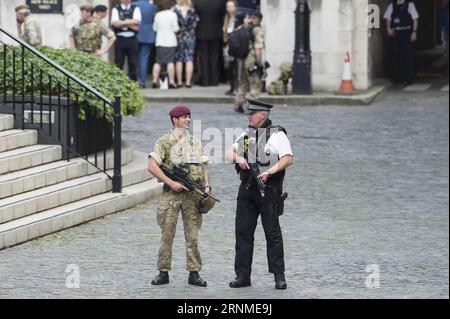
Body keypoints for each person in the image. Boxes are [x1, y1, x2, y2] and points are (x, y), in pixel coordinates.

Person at [227, 99, 293, 290]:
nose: (248, 116)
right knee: (243, 232)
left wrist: (269, 172)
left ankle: (279, 276)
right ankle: (242, 275)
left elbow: (288, 158)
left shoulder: (277, 135)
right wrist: (238, 158)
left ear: (262, 115)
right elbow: (227, 153)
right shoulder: (246, 134)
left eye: (252, 113)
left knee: (272, 233)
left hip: (269, 191)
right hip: (247, 190)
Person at [148, 105, 211, 287]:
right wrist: (170, 182)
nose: (188, 120)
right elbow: (152, 166)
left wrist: (207, 186)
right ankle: (163, 271)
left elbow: (204, 166)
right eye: (184, 117)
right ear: (174, 120)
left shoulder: (195, 142)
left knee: (192, 236)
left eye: (189, 116)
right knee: (167, 234)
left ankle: (194, 272)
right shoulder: (163, 142)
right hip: (171, 196)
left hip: (192, 196)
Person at [234, 11, 265, 113]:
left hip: (241, 58)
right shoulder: (257, 30)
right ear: (260, 19)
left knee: (242, 82)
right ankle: (253, 105)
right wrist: (259, 60)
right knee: (255, 82)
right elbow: (258, 47)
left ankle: (238, 103)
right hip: (251, 59)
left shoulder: (242, 27)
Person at [384, 0, 420, 85]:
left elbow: (415, 18)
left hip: (406, 32)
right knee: (394, 55)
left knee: (407, 55)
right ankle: (396, 78)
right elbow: (388, 18)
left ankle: (408, 78)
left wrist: (414, 32)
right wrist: (388, 28)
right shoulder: (392, 5)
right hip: (395, 33)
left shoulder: (409, 4)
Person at [194, 0, 226, 87]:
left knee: (203, 57)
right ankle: (214, 80)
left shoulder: (198, 3)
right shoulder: (220, 2)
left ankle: (205, 80)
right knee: (214, 56)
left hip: (202, 32)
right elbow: (223, 14)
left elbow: (195, 16)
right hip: (216, 31)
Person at [111, 0, 142, 81]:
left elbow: (137, 21)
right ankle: (118, 82)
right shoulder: (116, 9)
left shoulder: (135, 8)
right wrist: (130, 23)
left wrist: (121, 22)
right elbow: (114, 23)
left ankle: (132, 82)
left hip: (132, 39)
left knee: (133, 62)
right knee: (119, 61)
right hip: (120, 39)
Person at [152, 0, 179, 89]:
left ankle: (154, 80)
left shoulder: (157, 15)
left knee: (158, 62)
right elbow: (176, 28)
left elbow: (154, 28)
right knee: (170, 62)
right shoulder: (173, 15)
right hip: (170, 41)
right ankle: (171, 81)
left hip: (160, 41)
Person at [173, 0, 200, 88]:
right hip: (190, 37)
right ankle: (188, 82)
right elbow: (195, 24)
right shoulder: (192, 11)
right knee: (189, 59)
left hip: (179, 37)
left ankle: (180, 82)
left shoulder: (175, 10)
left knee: (179, 59)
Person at [136, 0, 157, 88]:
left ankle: (135, 80)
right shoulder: (152, 6)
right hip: (148, 34)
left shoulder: (134, 5)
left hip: (136, 34)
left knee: (134, 59)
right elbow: (154, 19)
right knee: (144, 58)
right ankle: (142, 81)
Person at [222, 0, 241, 96]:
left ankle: (237, 88)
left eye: (231, 6)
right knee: (229, 67)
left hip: (237, 46)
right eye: (228, 7)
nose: (229, 8)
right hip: (228, 45)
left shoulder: (239, 18)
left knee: (236, 68)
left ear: (235, 7)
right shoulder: (226, 18)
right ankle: (232, 87)